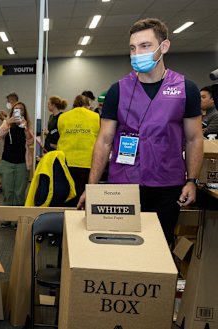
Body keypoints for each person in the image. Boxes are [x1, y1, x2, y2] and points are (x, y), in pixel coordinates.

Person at [78, 18, 203, 245]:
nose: (137, 54)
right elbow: (104, 140)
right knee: (120, 245)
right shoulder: (117, 90)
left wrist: (191, 180)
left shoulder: (185, 89)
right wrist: (92, 187)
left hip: (167, 185)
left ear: (163, 47)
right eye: (133, 48)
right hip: (123, 184)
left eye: (145, 46)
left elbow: (194, 138)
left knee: (160, 247)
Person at [57, 95, 100, 206]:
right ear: (88, 105)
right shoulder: (96, 117)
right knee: (83, 199)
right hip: (86, 164)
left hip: (65, 163)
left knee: (67, 197)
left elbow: (61, 133)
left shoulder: (63, 117)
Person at [0, 101, 35, 216]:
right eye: (16, 109)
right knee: (8, 191)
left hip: (22, 164)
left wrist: (25, 128)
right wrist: (7, 122)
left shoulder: (27, 125)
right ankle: (8, 217)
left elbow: (31, 141)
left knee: (19, 193)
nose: (18, 111)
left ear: (24, 112)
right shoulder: (7, 123)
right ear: (12, 111)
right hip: (7, 162)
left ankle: (18, 218)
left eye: (21, 109)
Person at [0, 91, 20, 194]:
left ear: (12, 101)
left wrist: (4, 119)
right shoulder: (12, 114)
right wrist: (5, 118)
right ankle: (3, 185)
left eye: (8, 101)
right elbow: (0, 134)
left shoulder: (18, 114)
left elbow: (14, 129)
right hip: (8, 148)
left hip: (14, 151)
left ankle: (3, 185)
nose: (7, 103)